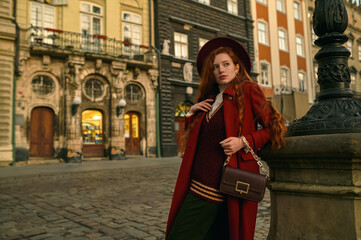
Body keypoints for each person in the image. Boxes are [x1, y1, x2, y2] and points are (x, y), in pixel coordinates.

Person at [165, 37, 287, 240]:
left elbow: (276, 126)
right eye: (215, 67)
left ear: (237, 68)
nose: (221, 70)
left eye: (226, 64)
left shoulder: (248, 90)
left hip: (217, 189)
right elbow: (197, 142)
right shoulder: (210, 100)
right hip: (194, 183)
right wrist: (191, 114)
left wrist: (244, 141)